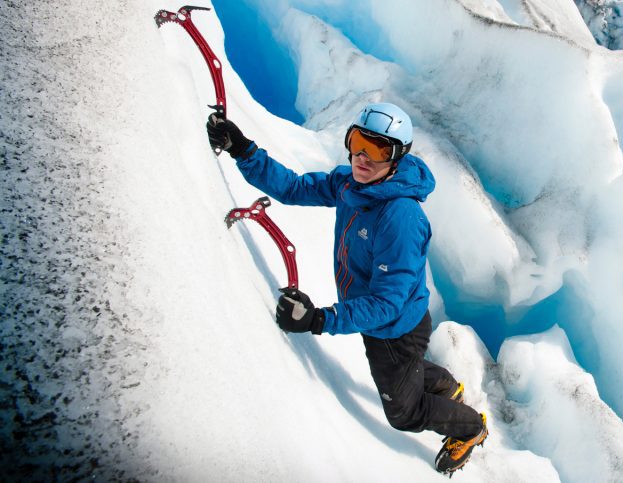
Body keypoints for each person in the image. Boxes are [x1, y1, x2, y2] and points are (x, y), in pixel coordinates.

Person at [206, 103, 487, 475]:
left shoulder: (400, 218)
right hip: (389, 319)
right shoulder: (351, 185)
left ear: (397, 157)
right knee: (407, 371)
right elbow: (293, 187)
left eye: (377, 150)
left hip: (394, 329)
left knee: (404, 412)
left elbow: (387, 303)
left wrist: (321, 319)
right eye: (357, 143)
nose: (362, 158)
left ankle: (471, 428)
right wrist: (243, 150)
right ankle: (446, 387)